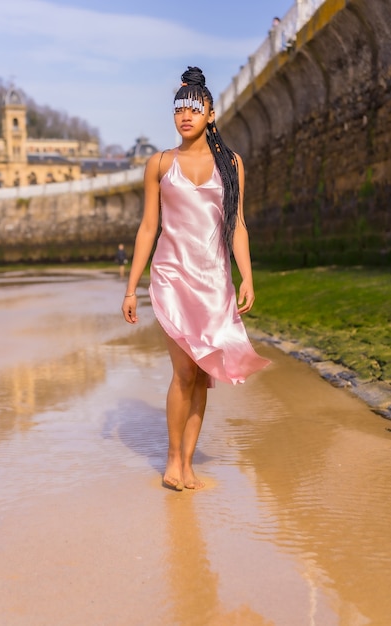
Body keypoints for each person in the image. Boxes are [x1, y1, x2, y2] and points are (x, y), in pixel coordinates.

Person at [122, 66, 270, 491]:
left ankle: (188, 463)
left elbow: (237, 224)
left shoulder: (232, 163)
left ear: (210, 113)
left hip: (214, 279)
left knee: (204, 375)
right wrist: (132, 287)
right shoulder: (160, 163)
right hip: (171, 276)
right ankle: (172, 460)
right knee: (184, 371)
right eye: (179, 109)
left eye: (194, 108)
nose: (185, 115)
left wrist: (247, 276)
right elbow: (148, 228)